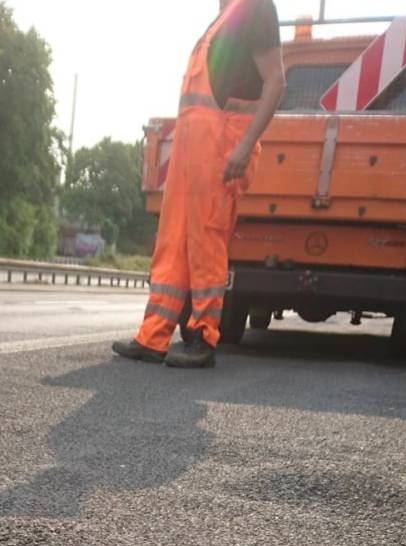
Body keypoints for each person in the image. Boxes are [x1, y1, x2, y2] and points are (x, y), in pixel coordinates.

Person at [112, 0, 285, 369]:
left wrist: (244, 145)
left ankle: (203, 335)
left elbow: (276, 82)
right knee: (173, 240)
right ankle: (153, 335)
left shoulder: (256, 8)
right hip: (193, 146)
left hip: (221, 144)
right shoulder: (222, 18)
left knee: (207, 237)